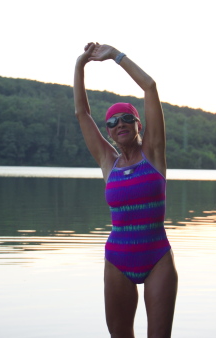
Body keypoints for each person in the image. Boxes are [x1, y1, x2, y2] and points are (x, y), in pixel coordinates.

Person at [74, 42, 178, 337]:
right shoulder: (108, 161)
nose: (119, 123)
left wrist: (115, 56)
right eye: (111, 122)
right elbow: (82, 113)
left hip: (157, 257)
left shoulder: (154, 153)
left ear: (138, 124)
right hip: (117, 259)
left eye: (126, 118)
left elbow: (150, 86)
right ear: (108, 131)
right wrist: (80, 66)